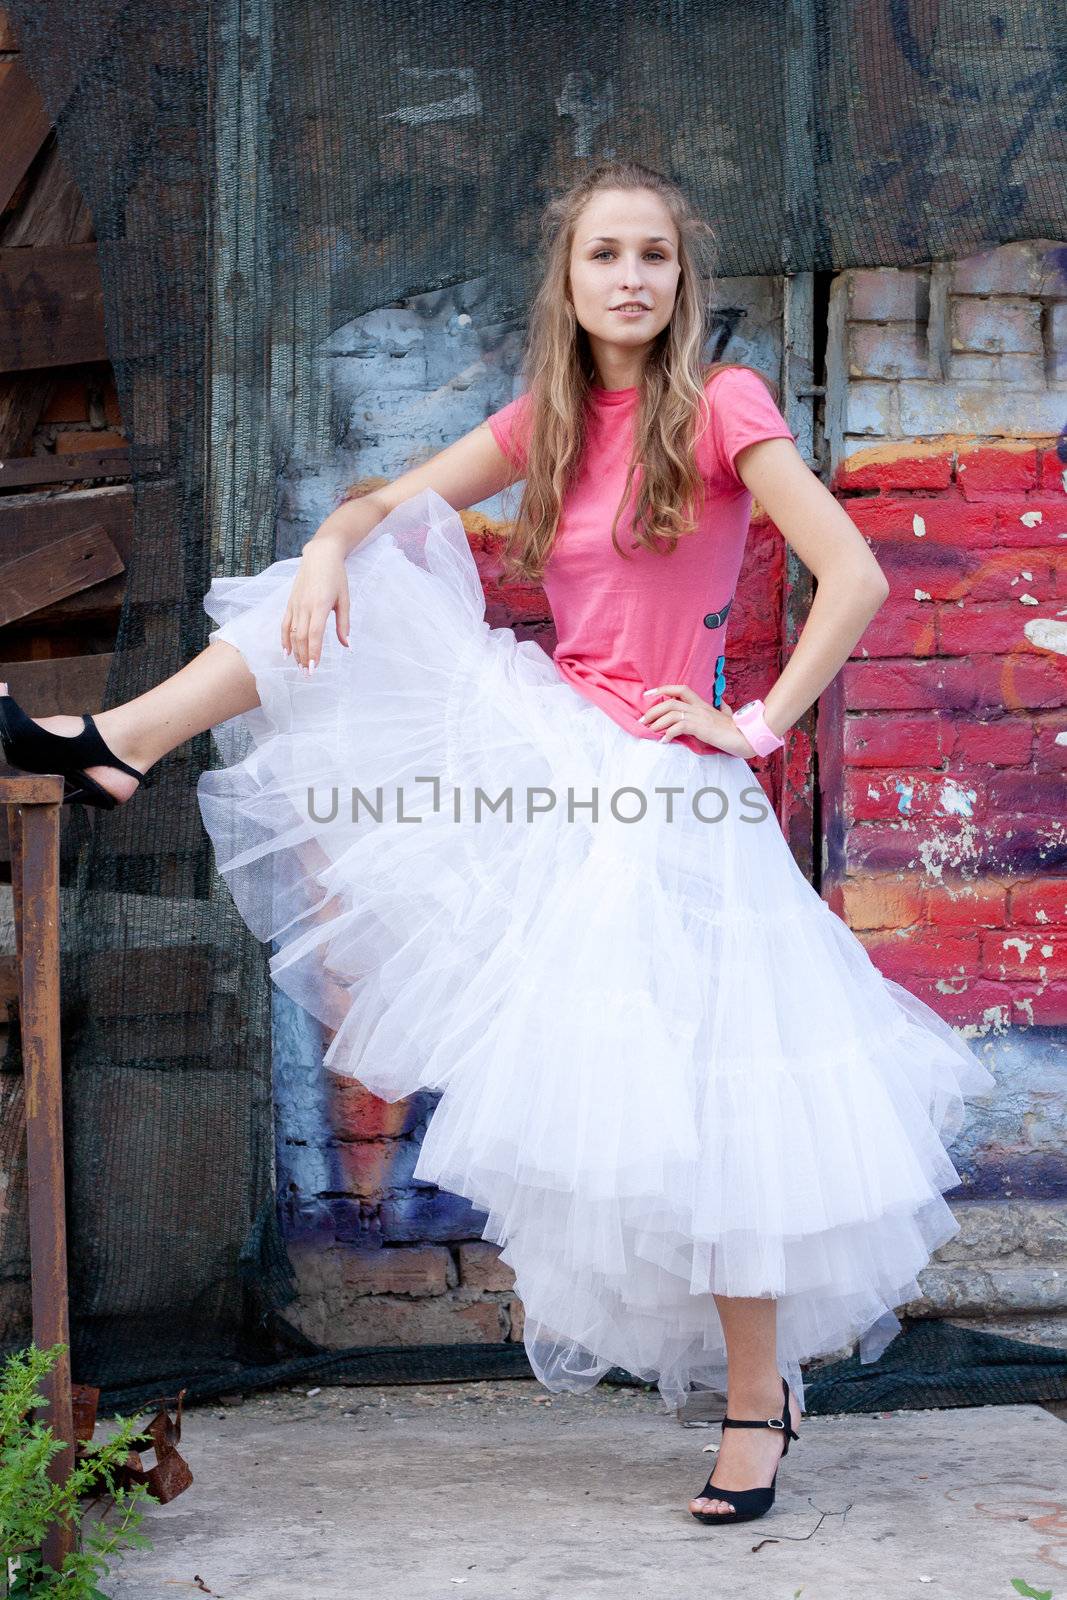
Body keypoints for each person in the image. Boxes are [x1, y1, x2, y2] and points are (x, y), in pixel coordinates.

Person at [0, 159, 994, 1526]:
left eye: (653, 255)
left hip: (664, 791)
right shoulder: (549, 417)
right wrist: (341, 544)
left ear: (679, 277)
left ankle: (760, 1406)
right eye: (605, 256)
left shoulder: (723, 408)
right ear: (570, 280)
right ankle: (118, 744)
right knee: (354, 601)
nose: (631, 277)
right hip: (553, 759)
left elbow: (859, 575)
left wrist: (755, 723)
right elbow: (388, 503)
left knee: (720, 1112)